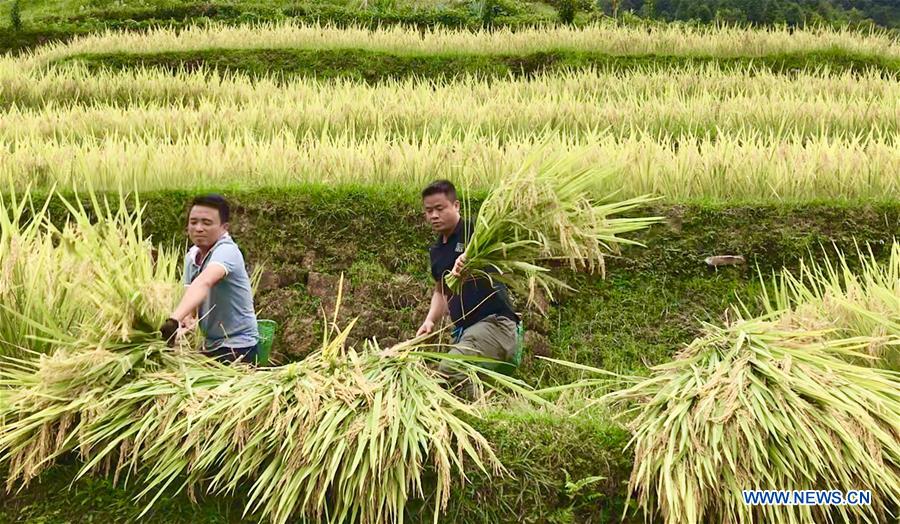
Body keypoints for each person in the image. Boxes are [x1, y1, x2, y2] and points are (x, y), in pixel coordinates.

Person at [416, 180, 520, 394]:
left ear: (456, 206)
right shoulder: (437, 251)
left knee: (450, 369)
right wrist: (430, 320)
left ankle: (478, 415)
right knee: (445, 385)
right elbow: (441, 291)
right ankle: (482, 412)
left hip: (495, 324)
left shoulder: (477, 232)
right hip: (465, 333)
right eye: (429, 211)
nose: (434, 215)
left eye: (439, 208)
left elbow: (503, 252)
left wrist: (470, 257)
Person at [159, 194, 259, 364]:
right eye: (193, 222)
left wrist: (173, 320)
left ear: (224, 227)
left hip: (239, 346)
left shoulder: (227, 251)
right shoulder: (192, 257)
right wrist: (182, 327)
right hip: (211, 345)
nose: (198, 228)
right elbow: (192, 310)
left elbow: (205, 281)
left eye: (206, 223)